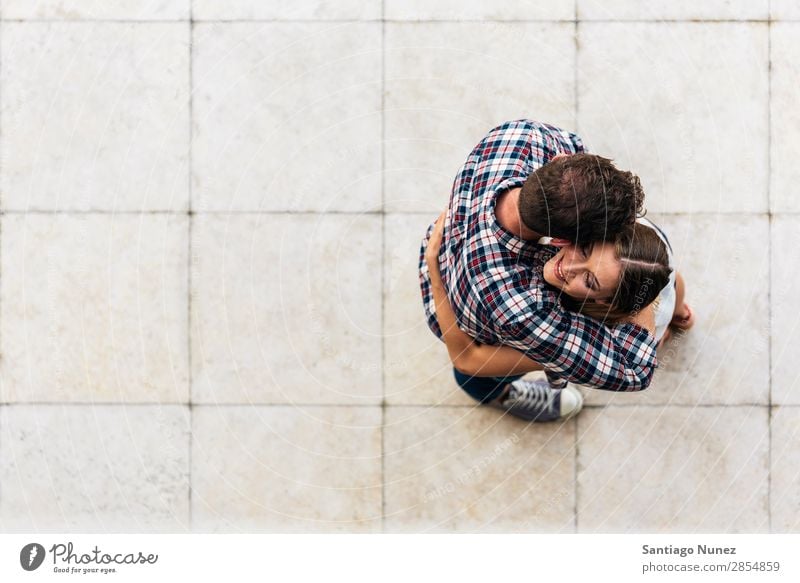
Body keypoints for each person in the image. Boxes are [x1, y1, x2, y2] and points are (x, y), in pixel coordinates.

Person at [418, 119, 662, 423]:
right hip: (465, 319)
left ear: (560, 162)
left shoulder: (523, 135)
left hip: (443, 252)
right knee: (484, 378)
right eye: (585, 250)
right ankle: (500, 396)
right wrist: (646, 291)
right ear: (562, 240)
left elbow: (576, 152)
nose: (571, 267)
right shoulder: (523, 307)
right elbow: (635, 369)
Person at [424, 211, 694, 421]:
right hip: (656, 319)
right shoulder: (652, 255)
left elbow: (469, 361)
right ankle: (676, 320)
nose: (569, 267)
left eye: (589, 281)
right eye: (586, 249)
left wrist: (436, 278)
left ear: (604, 301)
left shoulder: (553, 331)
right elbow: (673, 279)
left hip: (624, 331)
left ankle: (504, 396)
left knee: (474, 381)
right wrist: (674, 310)